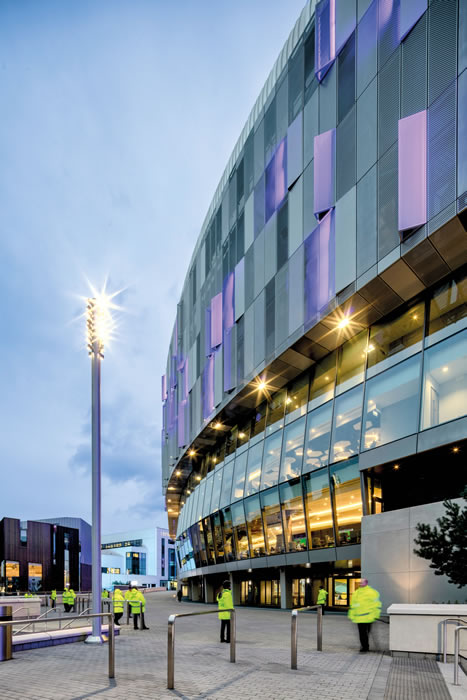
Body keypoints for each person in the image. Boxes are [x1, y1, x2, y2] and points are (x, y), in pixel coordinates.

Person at [348, 579, 381, 652]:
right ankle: (364, 646)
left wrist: (375, 615)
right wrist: (352, 615)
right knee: (362, 633)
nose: (360, 584)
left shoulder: (372, 592)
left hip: (368, 617)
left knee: (366, 633)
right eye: (360, 582)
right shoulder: (356, 593)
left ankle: (365, 646)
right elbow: (353, 605)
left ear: (366, 583)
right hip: (359, 618)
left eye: (362, 582)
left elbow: (376, 604)